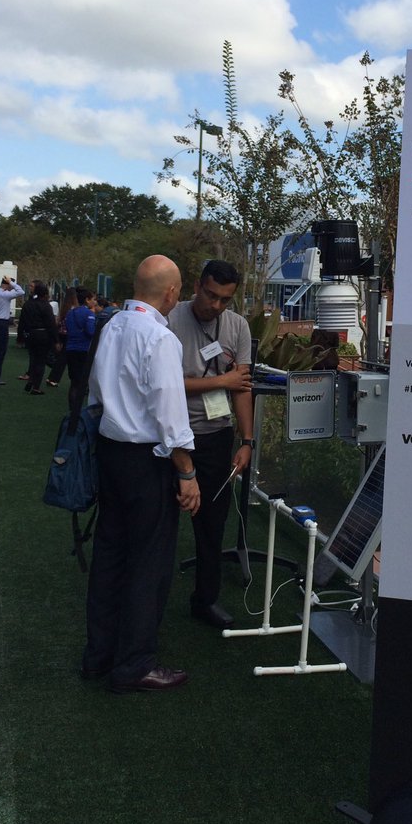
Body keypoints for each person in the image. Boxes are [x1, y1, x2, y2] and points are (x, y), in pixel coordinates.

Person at [82, 255, 200, 693]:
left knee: (110, 557)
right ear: (171, 292)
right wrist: (187, 473)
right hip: (145, 462)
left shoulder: (110, 326)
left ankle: (99, 655)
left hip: (109, 453)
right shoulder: (159, 337)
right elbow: (170, 414)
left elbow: (95, 391)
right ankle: (135, 664)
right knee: (148, 564)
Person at [168, 258, 254, 629]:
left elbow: (243, 389)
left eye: (225, 300)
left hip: (217, 438)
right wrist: (223, 382)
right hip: (171, 439)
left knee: (212, 525)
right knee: (160, 521)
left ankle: (205, 600)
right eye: (211, 295)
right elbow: (164, 386)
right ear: (197, 285)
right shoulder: (170, 320)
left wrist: (247, 440)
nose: (216, 305)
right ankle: (148, 598)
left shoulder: (237, 327)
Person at [18, 281, 58, 395]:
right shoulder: (46, 306)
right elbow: (51, 324)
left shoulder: (28, 304)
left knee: (33, 358)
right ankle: (36, 386)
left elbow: (22, 322)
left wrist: (20, 337)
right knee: (41, 361)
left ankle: (31, 378)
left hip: (30, 334)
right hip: (43, 335)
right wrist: (56, 340)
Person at [63, 287, 98, 412]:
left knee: (74, 382)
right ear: (87, 300)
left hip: (71, 348)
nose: (95, 302)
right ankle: (80, 410)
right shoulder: (89, 314)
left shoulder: (70, 313)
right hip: (84, 350)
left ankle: (73, 410)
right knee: (83, 381)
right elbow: (91, 332)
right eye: (93, 299)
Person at [46, 287, 78, 387]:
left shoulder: (64, 306)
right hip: (69, 333)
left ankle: (53, 378)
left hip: (61, 333)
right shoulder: (74, 308)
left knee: (62, 357)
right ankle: (53, 378)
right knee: (64, 358)